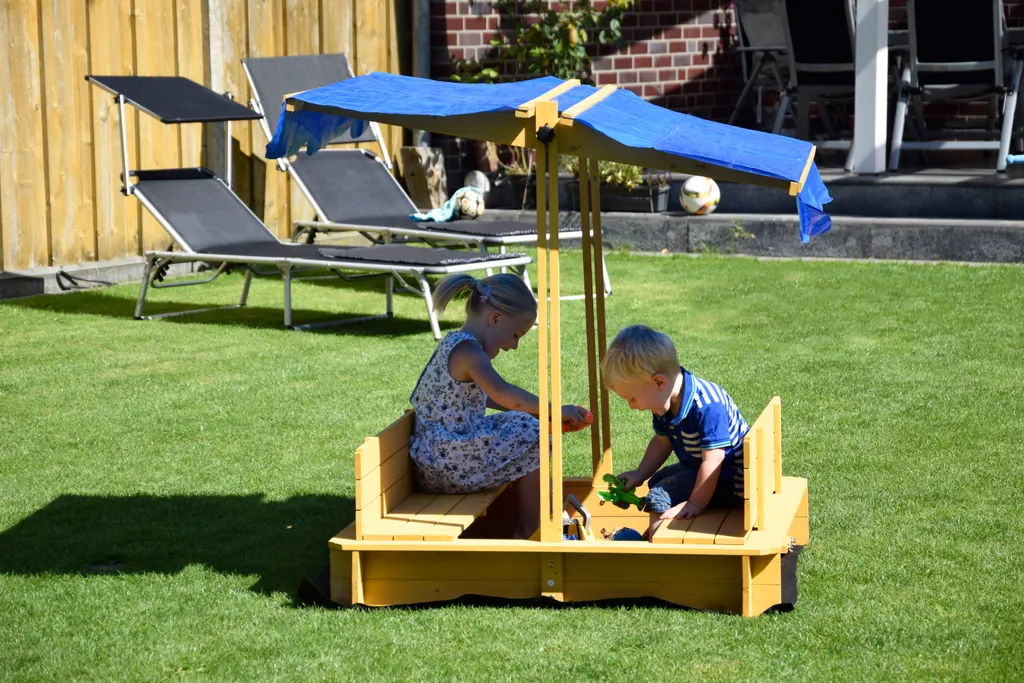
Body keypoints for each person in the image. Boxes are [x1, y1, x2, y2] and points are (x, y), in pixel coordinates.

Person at [410, 273, 590, 539]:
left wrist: (540, 415)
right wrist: (555, 410)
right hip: (445, 462)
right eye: (516, 335)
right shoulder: (469, 352)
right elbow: (506, 395)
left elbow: (490, 398)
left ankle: (540, 519)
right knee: (532, 433)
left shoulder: (457, 344)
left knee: (530, 429)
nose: (514, 346)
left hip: (441, 455)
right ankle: (531, 528)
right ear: (495, 318)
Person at [601, 324, 748, 538]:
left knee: (659, 494)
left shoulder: (707, 406)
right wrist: (640, 474)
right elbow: (662, 442)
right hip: (702, 468)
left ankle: (659, 548)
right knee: (655, 481)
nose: (632, 406)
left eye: (632, 398)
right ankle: (657, 533)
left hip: (730, 479)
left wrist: (694, 504)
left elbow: (714, 461)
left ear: (659, 382)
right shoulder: (665, 400)